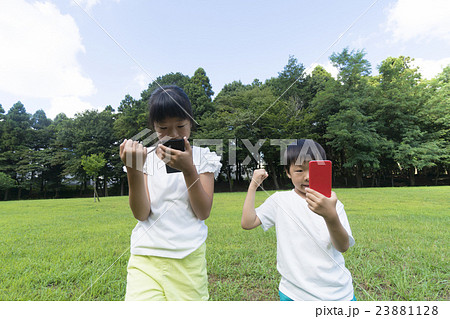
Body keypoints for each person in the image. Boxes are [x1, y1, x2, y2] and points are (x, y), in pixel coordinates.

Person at [119, 85, 222, 301]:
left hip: (188, 257)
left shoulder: (203, 157)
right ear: (153, 127)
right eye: (163, 128)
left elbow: (203, 211)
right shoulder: (144, 157)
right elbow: (141, 213)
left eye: (181, 126)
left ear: (191, 122)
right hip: (145, 257)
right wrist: (133, 169)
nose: (173, 134)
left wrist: (188, 168)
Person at [241, 139, 355, 301]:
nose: (307, 177)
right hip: (294, 294)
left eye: (313, 169)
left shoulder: (333, 203)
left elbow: (343, 246)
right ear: (288, 172)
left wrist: (331, 216)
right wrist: (253, 186)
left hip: (338, 294)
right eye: (299, 170)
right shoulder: (280, 200)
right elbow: (248, 222)